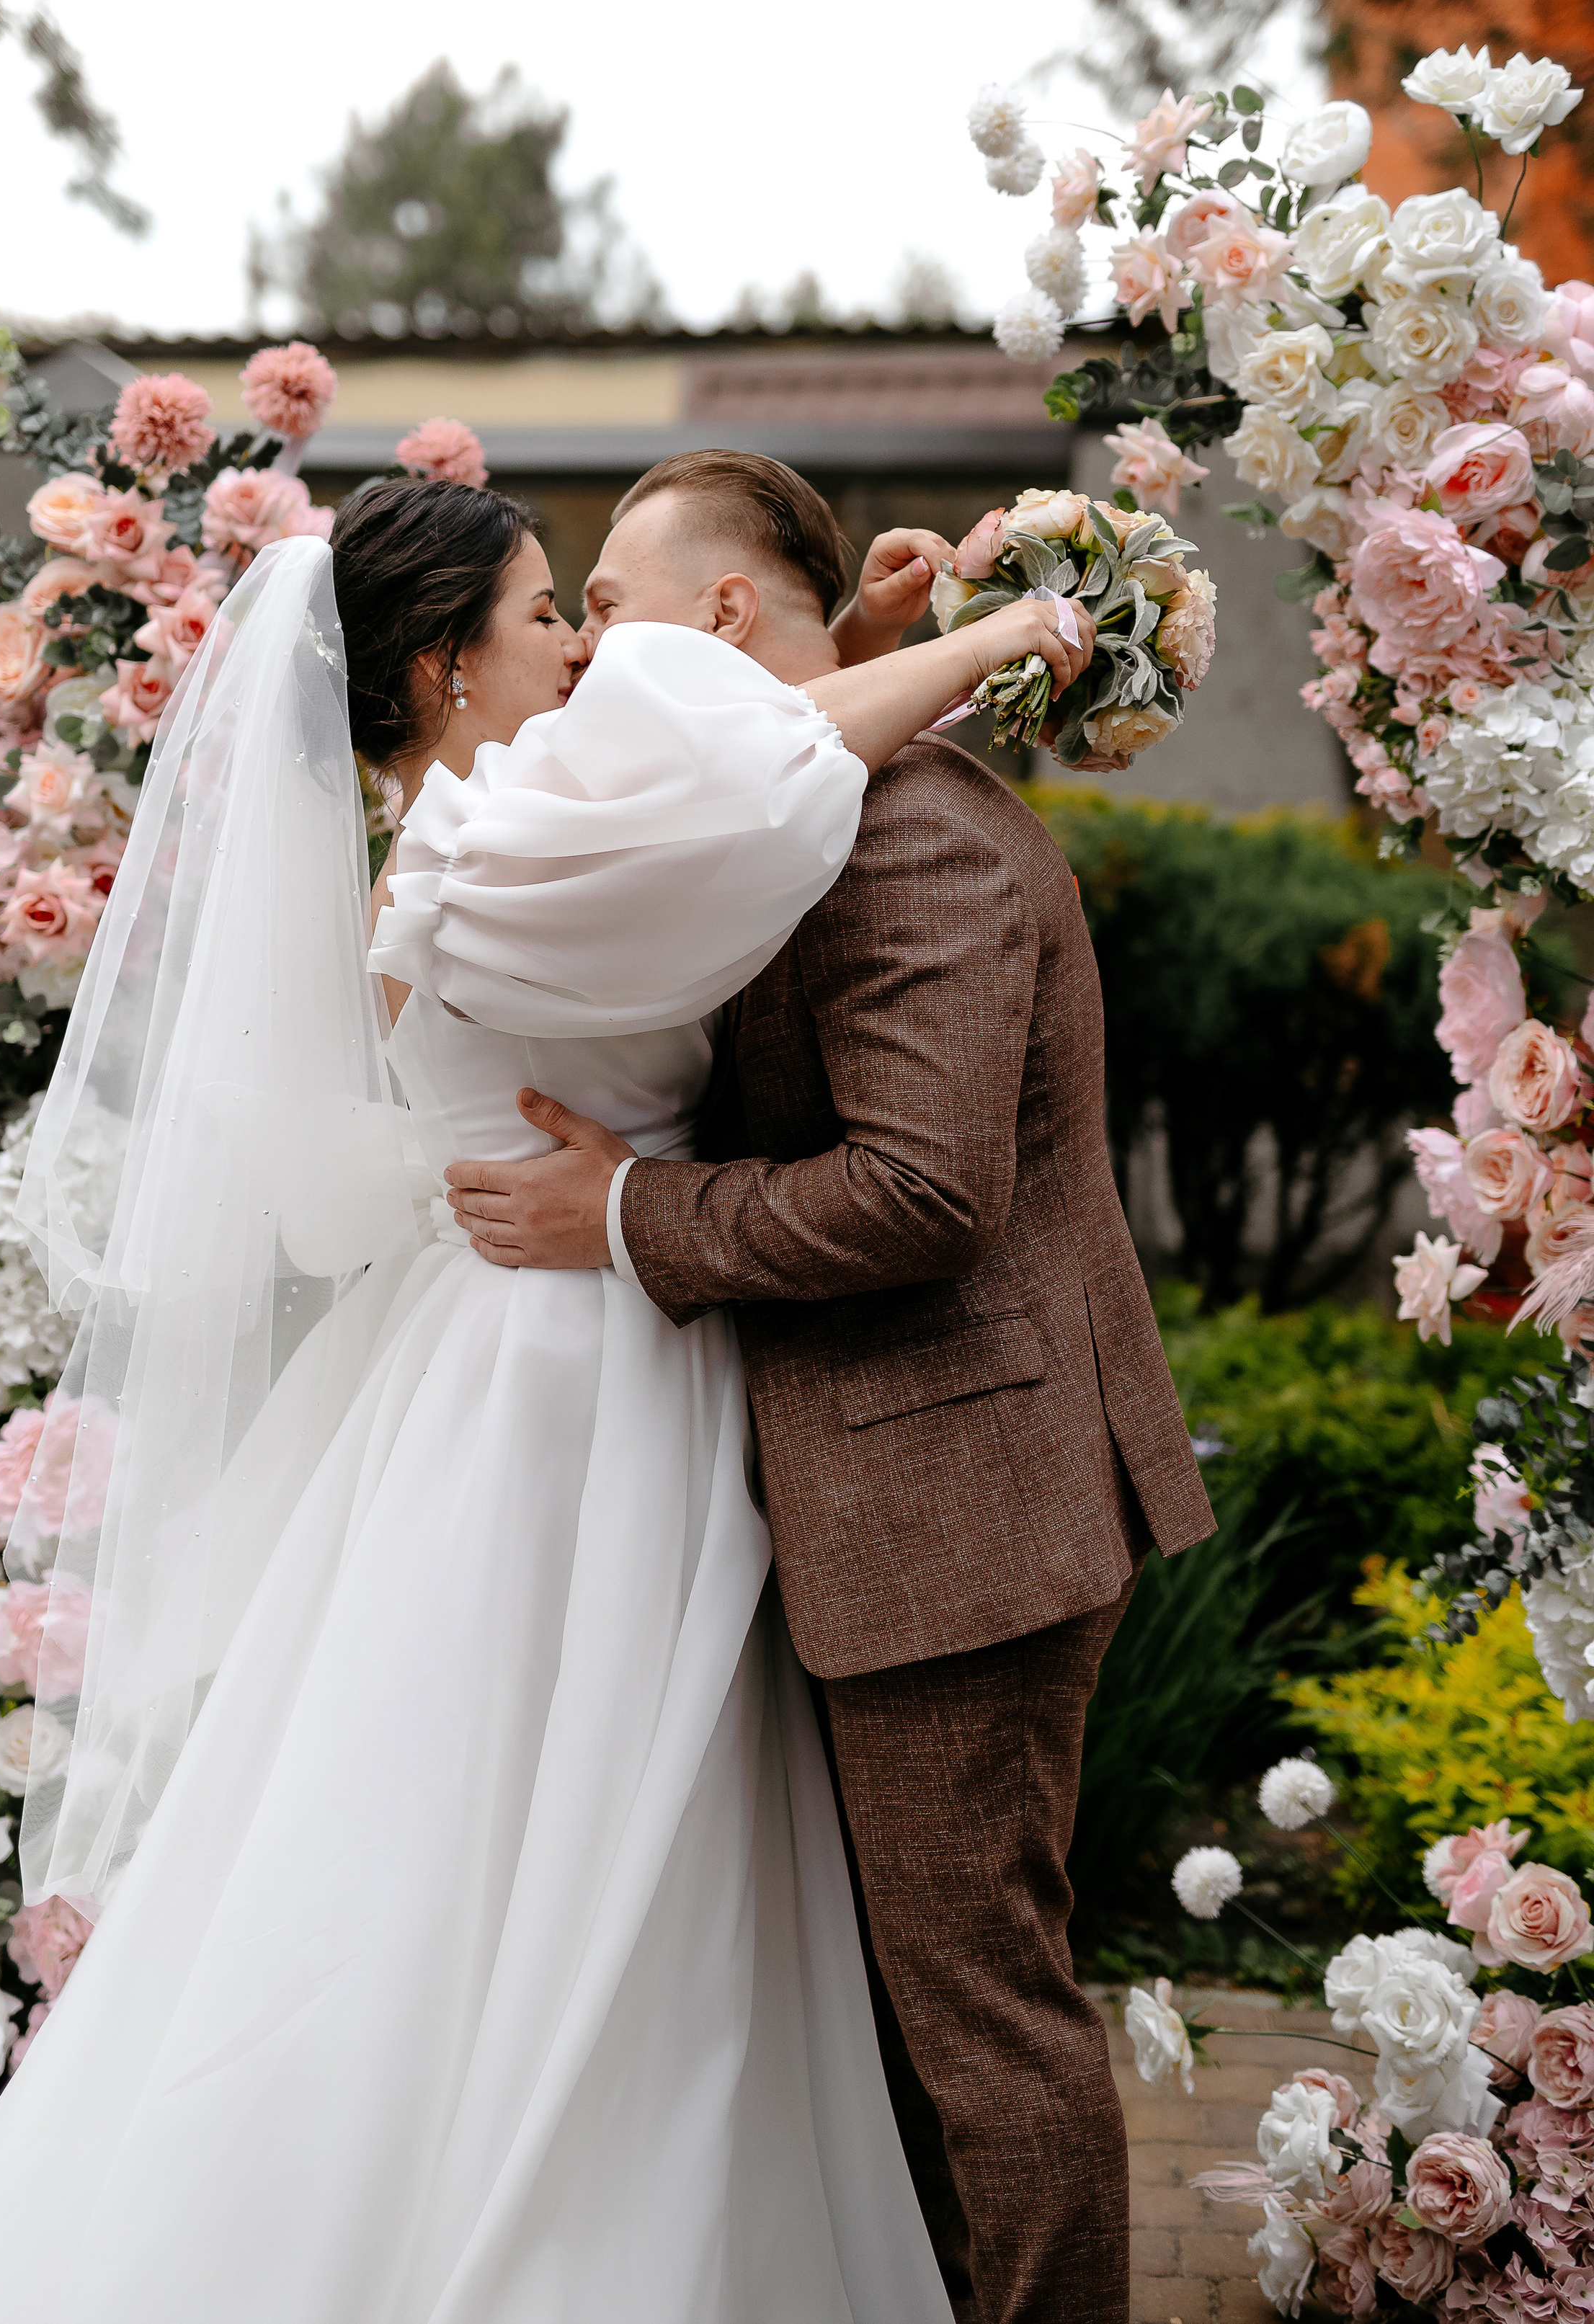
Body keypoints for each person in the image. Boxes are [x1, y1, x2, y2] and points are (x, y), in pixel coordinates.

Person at [0, 480, 1092, 2324]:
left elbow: (746, 771)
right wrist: (1003, 638)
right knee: (551, 1827)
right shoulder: (504, 836)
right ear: (449, 666)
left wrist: (858, 640)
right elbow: (770, 777)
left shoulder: (501, 819)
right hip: (571, 1376)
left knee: (558, 1830)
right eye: (549, 613)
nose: (584, 645)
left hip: (555, 1339)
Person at [442, 451, 1217, 2324]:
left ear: (717, 615)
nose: (586, 646)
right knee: (902, 2016)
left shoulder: (906, 841)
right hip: (914, 1490)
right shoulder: (812, 802)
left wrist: (620, 1213)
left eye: (608, 602)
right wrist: (871, 641)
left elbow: (925, 1194)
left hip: (966, 1510)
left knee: (976, 2020)